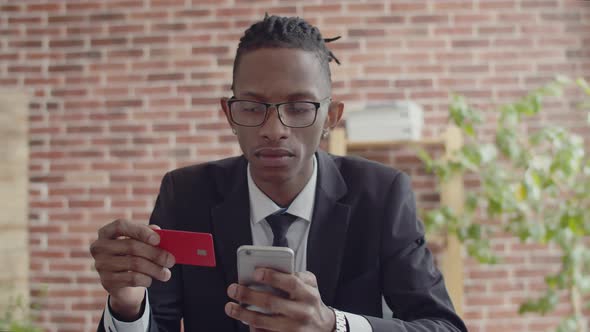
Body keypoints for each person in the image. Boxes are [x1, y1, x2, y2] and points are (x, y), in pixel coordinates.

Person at [91, 14, 467, 332]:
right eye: (253, 107)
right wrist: (128, 304)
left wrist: (333, 324)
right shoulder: (187, 195)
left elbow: (442, 325)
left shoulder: (381, 195)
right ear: (229, 114)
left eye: (300, 106)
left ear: (330, 118)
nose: (274, 129)